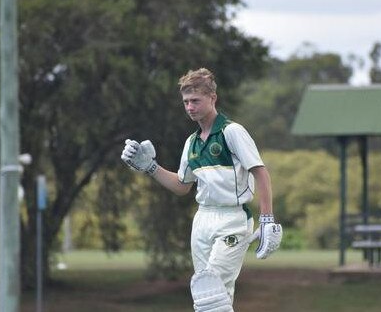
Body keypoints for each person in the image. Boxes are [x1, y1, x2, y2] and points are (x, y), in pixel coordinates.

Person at [121, 68, 282, 312]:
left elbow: (261, 173)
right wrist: (150, 167)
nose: (190, 107)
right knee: (208, 297)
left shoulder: (231, 132)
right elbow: (181, 186)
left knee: (211, 290)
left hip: (233, 219)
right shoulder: (191, 142)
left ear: (212, 98)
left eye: (195, 101)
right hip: (203, 219)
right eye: (186, 102)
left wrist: (268, 218)